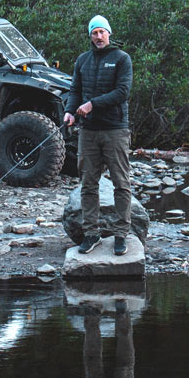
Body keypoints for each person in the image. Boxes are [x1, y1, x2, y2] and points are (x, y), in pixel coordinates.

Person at [63, 14, 132, 254]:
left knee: (121, 183)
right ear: (90, 36)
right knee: (88, 184)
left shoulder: (122, 59)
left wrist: (92, 104)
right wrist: (70, 111)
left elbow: (122, 92)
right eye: (94, 33)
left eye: (102, 32)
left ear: (109, 33)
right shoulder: (83, 60)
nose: (98, 36)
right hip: (88, 132)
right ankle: (91, 234)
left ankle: (122, 235)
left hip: (115, 130)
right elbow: (75, 90)